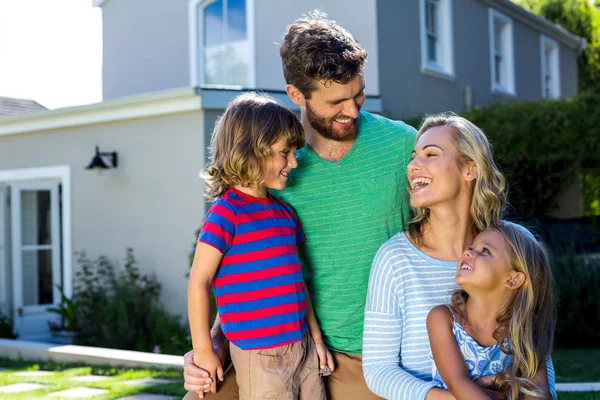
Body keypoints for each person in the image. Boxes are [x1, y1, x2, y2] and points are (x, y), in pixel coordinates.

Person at [183, 11, 416, 400]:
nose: (353, 110)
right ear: (296, 95)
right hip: (268, 348)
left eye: (358, 94)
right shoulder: (269, 168)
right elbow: (241, 268)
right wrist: (209, 346)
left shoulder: (403, 146)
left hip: (363, 354)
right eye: (336, 101)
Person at [362, 113, 557, 400]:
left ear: (469, 169)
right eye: (414, 156)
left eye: (430, 154)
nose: (413, 165)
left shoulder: (507, 250)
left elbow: (535, 351)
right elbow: (379, 371)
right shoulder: (395, 258)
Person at [188, 92, 333, 400]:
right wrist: (203, 350)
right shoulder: (225, 214)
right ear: (252, 150)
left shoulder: (285, 213)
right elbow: (199, 283)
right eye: (285, 152)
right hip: (260, 356)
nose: (293, 162)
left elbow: (296, 282)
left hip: (303, 348)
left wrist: (316, 339)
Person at [428, 223, 555, 400]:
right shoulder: (442, 319)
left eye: (485, 250)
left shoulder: (522, 332)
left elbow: (539, 391)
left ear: (513, 279)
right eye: (471, 247)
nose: (467, 252)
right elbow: (458, 382)